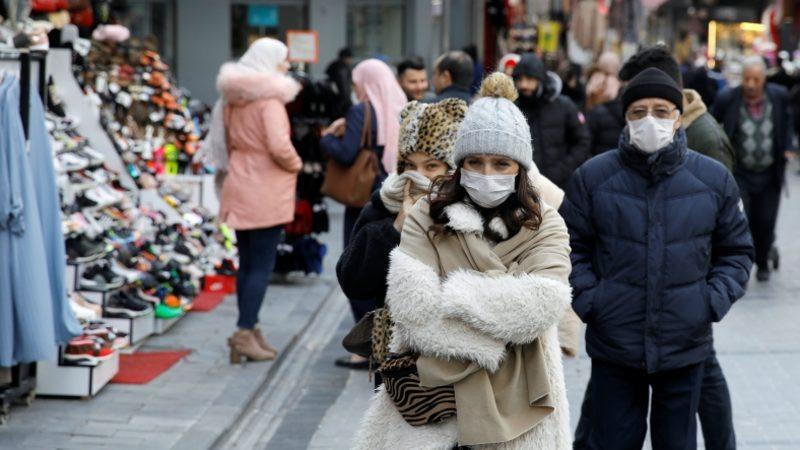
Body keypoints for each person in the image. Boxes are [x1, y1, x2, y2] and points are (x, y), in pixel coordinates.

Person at [354, 73, 572, 450]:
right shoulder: (427, 213)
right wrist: (496, 333)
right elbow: (413, 310)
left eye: (501, 164)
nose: (487, 174)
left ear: (519, 167)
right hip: (431, 403)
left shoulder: (547, 223)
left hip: (522, 401)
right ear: (461, 163)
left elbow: (542, 305)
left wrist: (453, 293)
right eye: (476, 161)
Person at [561, 67, 754, 450]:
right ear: (626, 117)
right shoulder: (593, 178)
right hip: (615, 343)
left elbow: (737, 251)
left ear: (679, 117)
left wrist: (709, 301)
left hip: (684, 344)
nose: (650, 119)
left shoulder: (712, 180)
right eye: (639, 111)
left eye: (662, 110)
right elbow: (569, 249)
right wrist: (591, 301)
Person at [335, 98, 467, 370]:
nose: (418, 176)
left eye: (431, 167)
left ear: (450, 169)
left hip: (455, 355)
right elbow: (353, 281)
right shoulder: (384, 205)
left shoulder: (468, 211)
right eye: (410, 166)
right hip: (397, 358)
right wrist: (394, 229)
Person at [214, 38, 302, 363]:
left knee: (247, 263)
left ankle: (250, 329)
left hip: (239, 182)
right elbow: (280, 147)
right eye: (283, 59)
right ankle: (243, 330)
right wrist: (298, 164)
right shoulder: (270, 103)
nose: (288, 65)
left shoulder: (232, 100)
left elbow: (224, 139)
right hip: (265, 187)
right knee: (262, 266)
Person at [319, 59, 407, 367]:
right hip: (393, 192)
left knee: (356, 263)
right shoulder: (400, 106)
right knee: (383, 266)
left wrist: (328, 136)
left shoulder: (361, 111)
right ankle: (382, 337)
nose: (355, 87)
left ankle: (365, 346)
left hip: (363, 199)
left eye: (358, 81)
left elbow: (345, 153)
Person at [712, 55, 793, 282]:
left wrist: (788, 147)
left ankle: (763, 260)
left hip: (769, 172)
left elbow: (786, 125)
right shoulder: (727, 97)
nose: (750, 85)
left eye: (755, 80)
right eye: (747, 79)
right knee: (741, 219)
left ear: (764, 79)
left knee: (766, 220)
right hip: (740, 173)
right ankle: (742, 265)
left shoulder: (778, 96)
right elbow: (711, 124)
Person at [513, 53, 591, 189]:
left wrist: (561, 170)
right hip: (525, 188)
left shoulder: (564, 105)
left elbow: (582, 142)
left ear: (540, 79)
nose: (524, 84)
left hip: (560, 187)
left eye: (529, 79)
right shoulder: (513, 109)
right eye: (519, 79)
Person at [325, 47, 354, 118]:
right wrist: (347, 103)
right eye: (350, 58)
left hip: (332, 101)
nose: (351, 60)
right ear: (346, 58)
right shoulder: (343, 68)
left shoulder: (333, 65)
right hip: (341, 104)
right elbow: (344, 86)